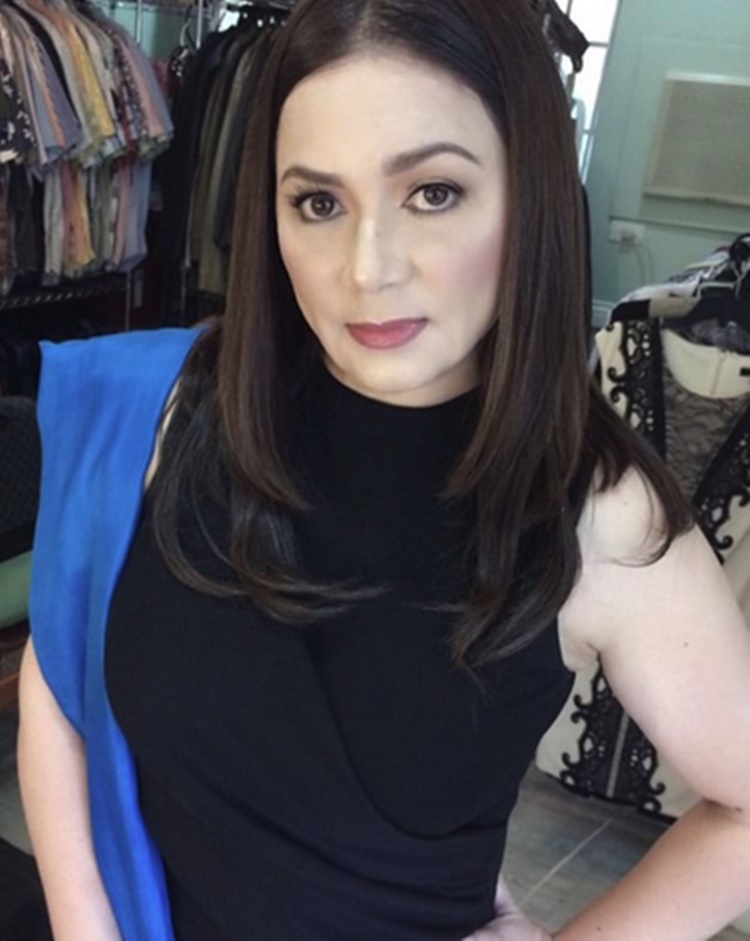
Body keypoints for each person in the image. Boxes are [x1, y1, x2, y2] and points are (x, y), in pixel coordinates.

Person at [16, 0, 750, 939]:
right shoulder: (164, 402)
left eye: (433, 192)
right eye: (318, 203)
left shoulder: (600, 515)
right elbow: (61, 673)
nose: (367, 269)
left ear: (528, 193)